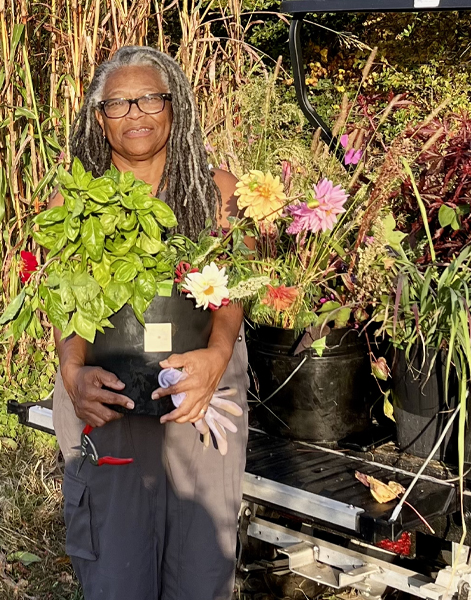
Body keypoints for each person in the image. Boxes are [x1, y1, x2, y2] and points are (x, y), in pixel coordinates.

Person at [49, 46, 249, 600]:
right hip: (107, 402)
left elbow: (237, 286)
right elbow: (65, 300)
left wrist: (216, 358)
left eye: (149, 99)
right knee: (117, 572)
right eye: (118, 104)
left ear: (175, 106)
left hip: (201, 396)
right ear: (99, 118)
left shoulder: (219, 191)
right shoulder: (75, 201)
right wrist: (72, 374)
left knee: (200, 570)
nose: (135, 114)